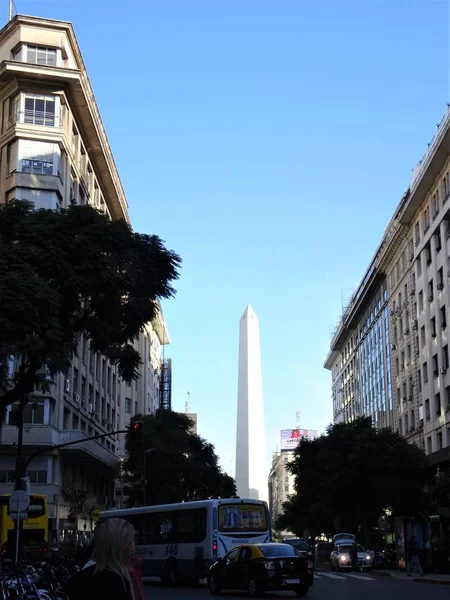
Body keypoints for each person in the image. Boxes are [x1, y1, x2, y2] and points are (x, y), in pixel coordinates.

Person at [67, 518, 136, 600]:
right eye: (129, 543)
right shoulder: (116, 583)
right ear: (117, 547)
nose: (133, 547)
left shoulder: (78, 578)